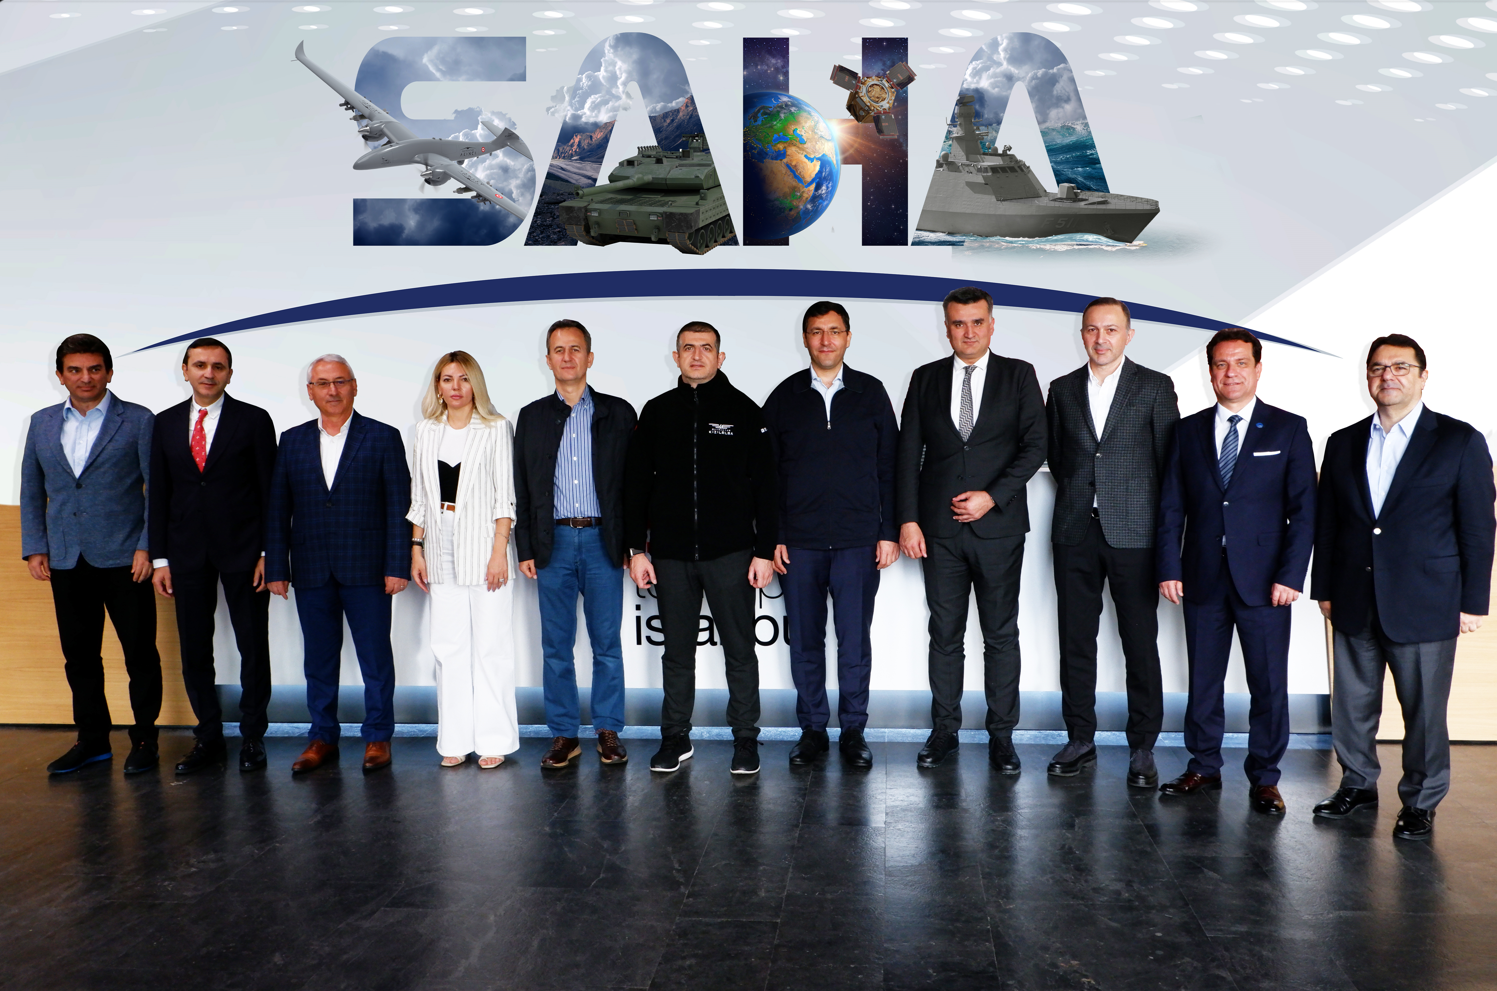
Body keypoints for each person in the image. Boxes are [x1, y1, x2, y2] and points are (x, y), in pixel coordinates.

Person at [1311, 335, 1495, 840]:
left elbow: (1479, 528)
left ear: (1422, 376)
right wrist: (1323, 588)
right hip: (1352, 596)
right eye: (1377, 368)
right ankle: (1357, 784)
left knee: (1424, 712)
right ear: (1367, 377)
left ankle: (1421, 800)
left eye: (1399, 367)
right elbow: (1328, 523)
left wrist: (1473, 601)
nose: (1386, 376)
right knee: (1352, 705)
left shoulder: (1459, 440)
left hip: (1426, 599)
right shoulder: (1343, 441)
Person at [1155, 328, 1315, 814]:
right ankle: (1203, 765)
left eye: (1241, 363)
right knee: (1204, 679)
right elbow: (1171, 507)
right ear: (1210, 372)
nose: (1231, 373)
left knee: (1268, 683)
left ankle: (1265, 777)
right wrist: (1169, 566)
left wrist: (1291, 575)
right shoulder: (1187, 430)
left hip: (1266, 582)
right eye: (1221, 364)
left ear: (1258, 369)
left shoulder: (1288, 428)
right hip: (1201, 575)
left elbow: (1305, 510)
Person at [895, 287, 1047, 771]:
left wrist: (992, 496)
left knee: (1000, 635)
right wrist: (908, 519)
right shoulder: (925, 378)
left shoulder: (1019, 375)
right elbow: (907, 454)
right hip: (938, 531)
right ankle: (945, 731)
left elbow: (1036, 445)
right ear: (946, 327)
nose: (968, 331)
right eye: (958, 323)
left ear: (991, 324)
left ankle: (1002, 736)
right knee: (945, 634)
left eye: (977, 322)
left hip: (999, 528)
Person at [624, 322, 777, 775]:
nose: (696, 355)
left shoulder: (744, 410)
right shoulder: (656, 412)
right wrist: (636, 550)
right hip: (670, 556)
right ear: (675, 357)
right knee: (676, 653)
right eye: (688, 348)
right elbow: (635, 486)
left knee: (740, 651)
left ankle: (745, 739)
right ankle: (675, 737)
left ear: (720, 357)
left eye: (705, 348)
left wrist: (764, 550)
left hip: (731, 554)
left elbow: (768, 487)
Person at [1044, 298, 1179, 788]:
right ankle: (1080, 738)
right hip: (1075, 531)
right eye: (1092, 330)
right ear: (1082, 334)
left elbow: (1169, 466)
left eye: (1111, 330)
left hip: (1135, 534)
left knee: (1139, 642)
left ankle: (1142, 746)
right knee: (1075, 641)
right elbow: (1059, 458)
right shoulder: (1061, 389)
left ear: (1128, 334)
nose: (1101, 339)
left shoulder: (1155, 386)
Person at [762, 301, 899, 768]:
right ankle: (813, 730)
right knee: (805, 643)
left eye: (834, 331)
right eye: (817, 331)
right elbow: (768, 475)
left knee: (854, 642)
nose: (826, 340)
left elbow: (889, 466)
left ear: (848, 337)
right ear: (805, 338)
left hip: (858, 541)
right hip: (799, 543)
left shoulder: (870, 393)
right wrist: (774, 535)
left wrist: (888, 530)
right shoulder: (784, 396)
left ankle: (854, 730)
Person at [21, 335, 162, 775]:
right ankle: (93, 739)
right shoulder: (42, 422)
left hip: (127, 558)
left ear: (109, 372)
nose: (86, 378)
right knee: (79, 656)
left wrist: (147, 546)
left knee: (140, 654)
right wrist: (35, 546)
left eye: (95, 369)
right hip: (66, 558)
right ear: (60, 375)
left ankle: (145, 739)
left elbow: (158, 490)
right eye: (75, 370)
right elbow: (32, 488)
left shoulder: (139, 420)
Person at [265, 354, 411, 774]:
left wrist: (397, 564)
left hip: (368, 569)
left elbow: (398, 506)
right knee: (318, 661)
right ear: (310, 391)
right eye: (323, 383)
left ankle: (378, 736)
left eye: (340, 382)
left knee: (375, 659)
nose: (332, 390)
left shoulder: (382, 437)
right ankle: (322, 737)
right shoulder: (292, 440)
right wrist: (277, 567)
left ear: (354, 386)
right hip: (311, 567)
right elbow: (278, 508)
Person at [148, 337, 278, 775]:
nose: (209, 373)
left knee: (252, 646)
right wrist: (160, 559)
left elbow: (270, 492)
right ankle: (208, 736)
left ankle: (253, 736)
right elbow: (159, 494)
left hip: (245, 551)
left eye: (218, 366)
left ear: (229, 374)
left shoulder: (254, 420)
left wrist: (269, 552)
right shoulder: (164, 423)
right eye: (200, 365)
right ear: (184, 370)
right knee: (194, 649)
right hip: (185, 554)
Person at [515, 321, 637, 769]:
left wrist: (632, 545)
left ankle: (608, 730)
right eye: (558, 350)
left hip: (605, 541)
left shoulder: (619, 413)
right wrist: (525, 547)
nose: (567, 357)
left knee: (607, 644)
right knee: (556, 646)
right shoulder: (531, 416)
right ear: (547, 359)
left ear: (590, 357)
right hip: (554, 542)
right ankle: (564, 734)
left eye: (575, 349)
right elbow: (522, 486)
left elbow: (634, 486)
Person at [408, 351, 519, 768]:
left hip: (485, 544)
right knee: (448, 646)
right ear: (437, 385)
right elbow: (419, 498)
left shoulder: (495, 428)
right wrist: (416, 549)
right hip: (439, 543)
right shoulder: (425, 430)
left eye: (463, 378)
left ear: (475, 384)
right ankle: (454, 738)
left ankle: (494, 739)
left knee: (491, 646)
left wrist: (499, 551)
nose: (455, 387)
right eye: (446, 378)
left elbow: (505, 496)